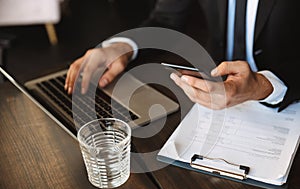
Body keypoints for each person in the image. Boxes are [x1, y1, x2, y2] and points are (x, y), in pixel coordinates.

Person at [65, 0, 300, 112]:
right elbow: (166, 19)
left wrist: (262, 85)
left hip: (287, 102)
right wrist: (120, 47)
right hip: (211, 95)